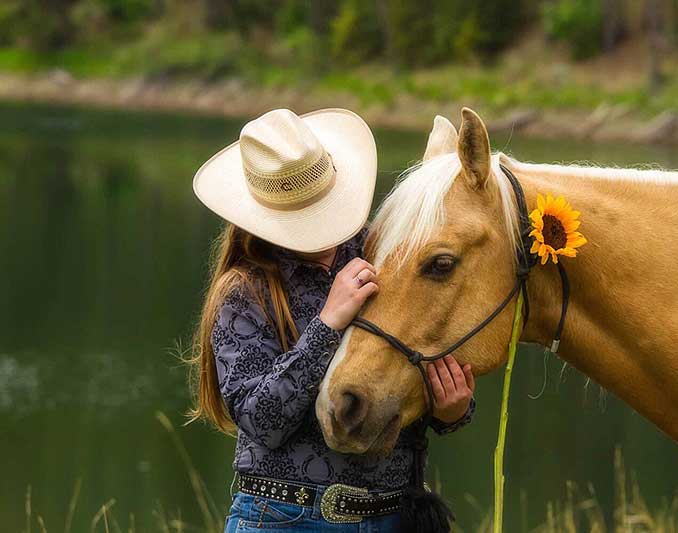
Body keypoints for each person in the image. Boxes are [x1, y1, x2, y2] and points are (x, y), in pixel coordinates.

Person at [188, 108, 476, 532]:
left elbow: (406, 365)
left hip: (395, 516)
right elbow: (261, 421)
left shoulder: (382, 255)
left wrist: (451, 409)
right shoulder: (245, 293)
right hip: (286, 519)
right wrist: (328, 323)